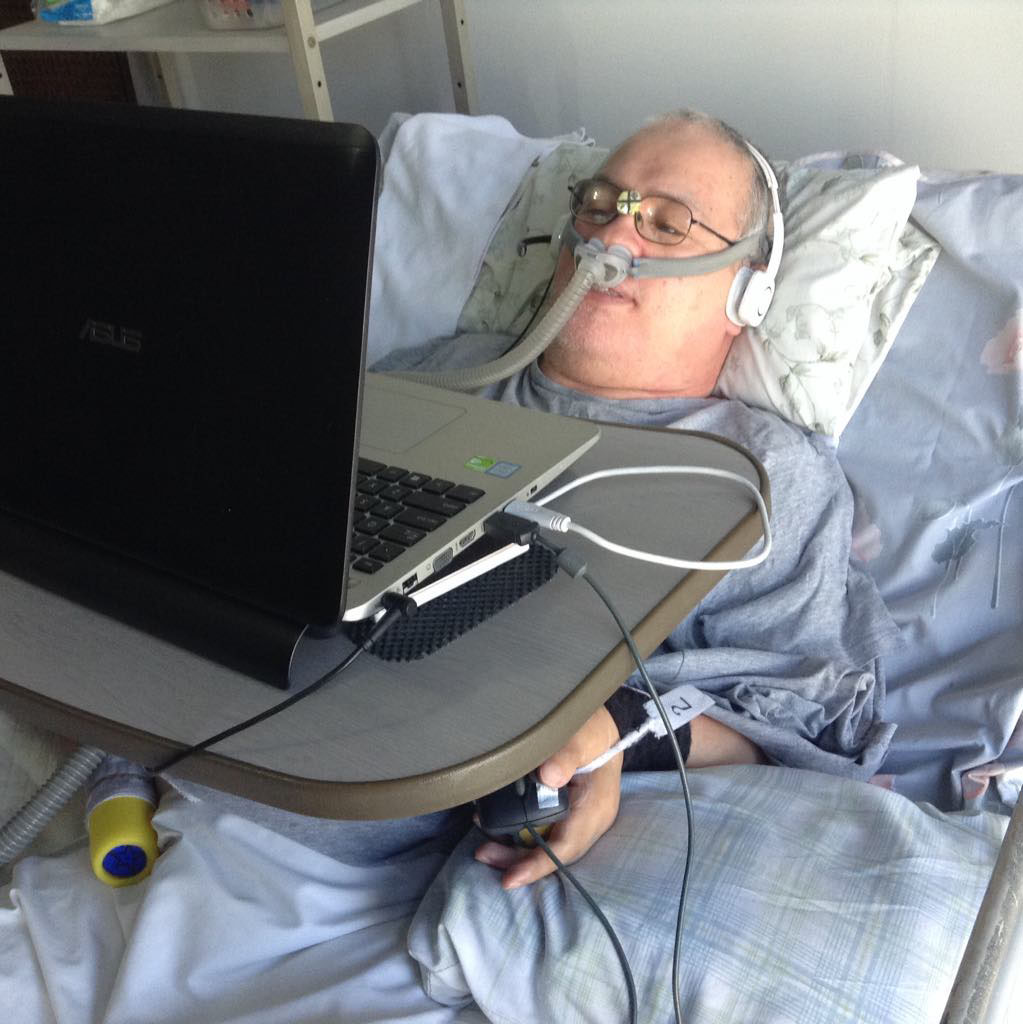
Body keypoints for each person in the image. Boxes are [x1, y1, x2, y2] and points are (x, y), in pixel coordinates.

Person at [376, 109, 900, 890]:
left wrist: (617, 731)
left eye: (666, 222)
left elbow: (810, 729)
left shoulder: (760, 475)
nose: (612, 238)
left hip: (413, 808)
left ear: (748, 292)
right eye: (598, 204)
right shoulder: (438, 375)